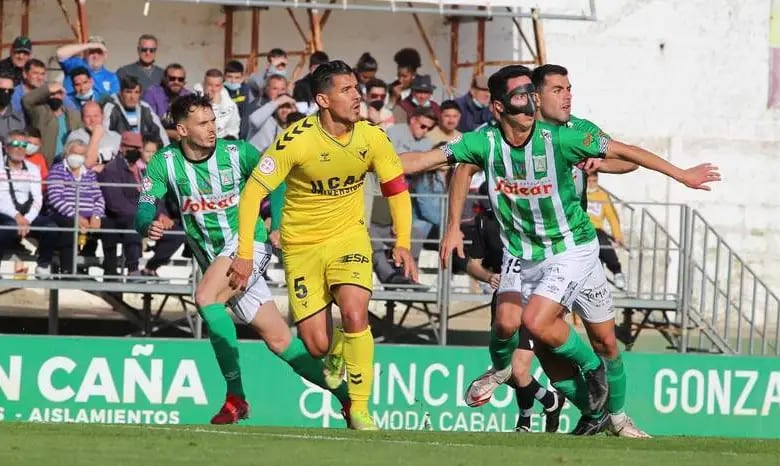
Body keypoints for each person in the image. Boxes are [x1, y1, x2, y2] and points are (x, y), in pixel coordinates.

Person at [400, 64, 720, 425]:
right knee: (515, 329)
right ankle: (585, 408)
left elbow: (628, 157)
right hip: (521, 251)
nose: (566, 95)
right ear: (530, 96)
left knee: (597, 340)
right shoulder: (486, 140)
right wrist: (449, 222)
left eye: (568, 88)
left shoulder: (572, 134)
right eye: (557, 89)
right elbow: (455, 166)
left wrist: (673, 173)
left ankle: (614, 411)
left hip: (571, 248)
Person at [134, 93, 352, 426]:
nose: (212, 129)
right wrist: (146, 224)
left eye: (213, 121)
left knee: (206, 298)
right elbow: (146, 203)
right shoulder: (164, 162)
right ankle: (350, 397)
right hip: (214, 259)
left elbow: (277, 182)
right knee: (281, 342)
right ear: (181, 129)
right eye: (203, 123)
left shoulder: (237, 153)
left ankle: (235, 397)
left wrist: (277, 223)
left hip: (249, 244)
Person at [228, 60, 417, 430]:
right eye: (346, 90)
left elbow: (396, 189)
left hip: (349, 238)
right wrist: (245, 254)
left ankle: (359, 409)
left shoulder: (372, 137)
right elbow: (251, 195)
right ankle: (335, 357)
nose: (356, 96)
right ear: (322, 100)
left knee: (355, 312)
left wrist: (404, 241)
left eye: (356, 88)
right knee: (315, 345)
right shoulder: (295, 140)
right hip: (302, 249)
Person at [463, 181, 564, 432]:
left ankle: (525, 420)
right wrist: (489, 277)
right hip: (504, 296)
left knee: (519, 369)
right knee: (507, 368)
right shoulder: (484, 222)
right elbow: (472, 264)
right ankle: (550, 400)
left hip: (533, 293)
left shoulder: (532, 218)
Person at [585, 172, 626, 289]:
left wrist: (617, 235)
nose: (592, 184)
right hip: (582, 228)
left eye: (594, 181)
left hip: (596, 229)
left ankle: (617, 272)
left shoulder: (602, 195)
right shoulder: (579, 194)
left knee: (602, 242)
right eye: (589, 181)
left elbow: (612, 216)